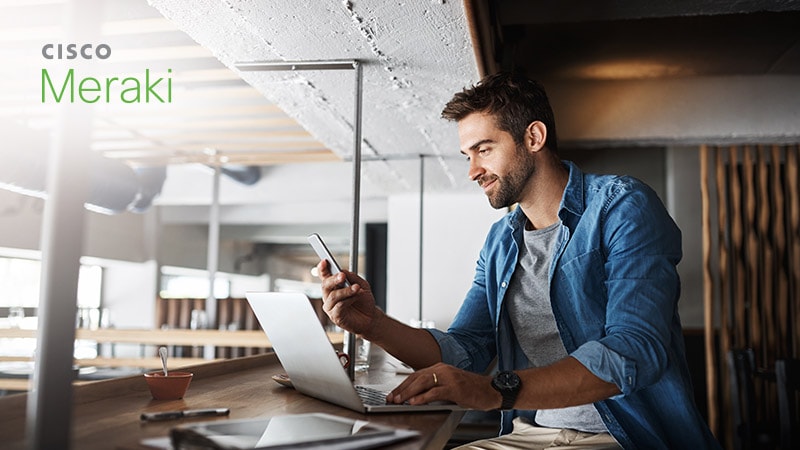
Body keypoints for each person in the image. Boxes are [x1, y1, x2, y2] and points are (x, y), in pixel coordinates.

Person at [317, 72, 721, 449]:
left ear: (534, 137)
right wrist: (374, 324)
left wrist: (493, 390)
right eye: (467, 155)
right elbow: (465, 350)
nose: (473, 170)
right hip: (530, 432)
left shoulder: (622, 207)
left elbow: (636, 348)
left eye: (484, 150)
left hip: (622, 437)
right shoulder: (500, 242)